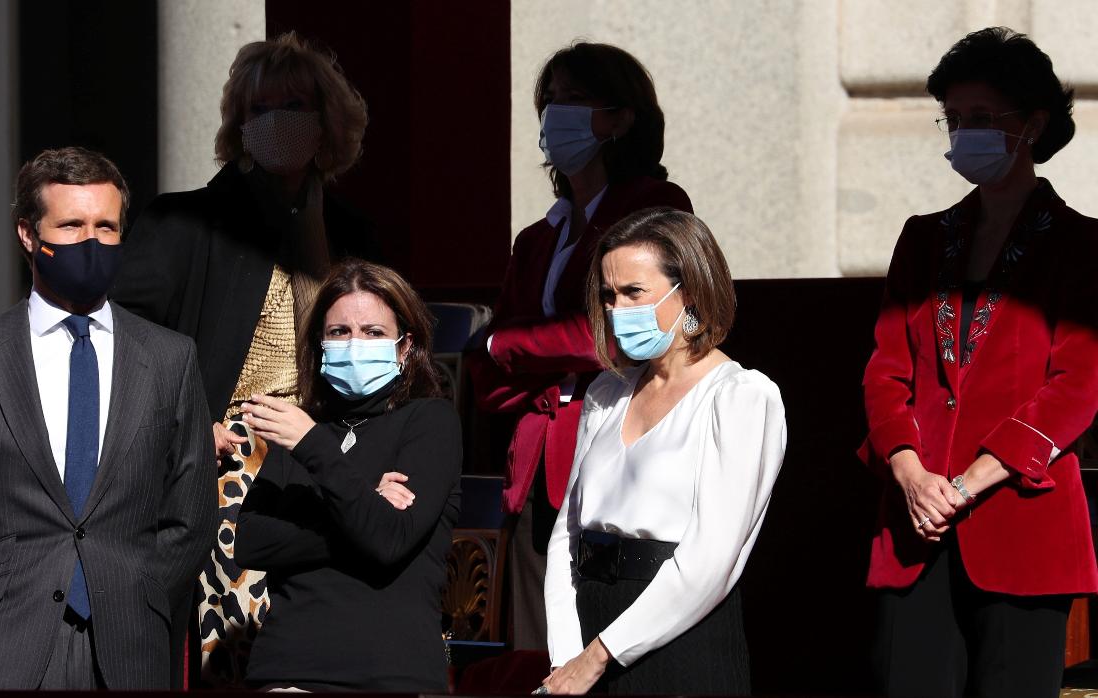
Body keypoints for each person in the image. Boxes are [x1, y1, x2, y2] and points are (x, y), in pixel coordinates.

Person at [0, 147, 216, 689]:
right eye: (71, 224)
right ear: (27, 234)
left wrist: (138, 594)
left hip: (128, 650)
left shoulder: (170, 358)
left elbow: (192, 513)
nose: (92, 240)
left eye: (106, 226)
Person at [110, 32, 376, 686]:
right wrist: (181, 426)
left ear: (327, 122)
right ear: (237, 123)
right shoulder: (186, 225)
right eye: (262, 108)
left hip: (332, 455)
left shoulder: (352, 234)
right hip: (233, 455)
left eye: (295, 105)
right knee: (247, 643)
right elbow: (117, 339)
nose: (278, 121)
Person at [860, 27, 1098, 698]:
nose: (965, 134)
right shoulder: (924, 237)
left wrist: (967, 482)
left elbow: (1076, 385)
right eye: (955, 119)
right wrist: (909, 472)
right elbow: (886, 370)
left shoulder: (1082, 245)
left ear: (1034, 123)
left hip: (1023, 522)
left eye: (983, 119)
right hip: (915, 526)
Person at [469, 41, 694, 651]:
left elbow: (613, 335)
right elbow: (486, 374)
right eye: (549, 102)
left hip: (617, 451)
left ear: (621, 117)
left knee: (604, 642)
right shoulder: (538, 238)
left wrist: (512, 345)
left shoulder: (653, 207)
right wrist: (518, 355)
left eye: (574, 100)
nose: (554, 115)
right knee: (535, 648)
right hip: (537, 463)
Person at [542, 208, 786, 695]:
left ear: (690, 291)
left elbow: (710, 560)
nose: (616, 310)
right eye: (609, 296)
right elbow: (565, 537)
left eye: (634, 292)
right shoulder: (605, 395)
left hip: (677, 639)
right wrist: (568, 654)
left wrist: (598, 656)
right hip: (586, 632)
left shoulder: (739, 397)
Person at [233, 259, 461, 691]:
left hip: (389, 673)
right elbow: (250, 542)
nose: (355, 344)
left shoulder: (431, 421)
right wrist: (363, 505)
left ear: (404, 345)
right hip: (288, 670)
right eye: (339, 332)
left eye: (373, 332)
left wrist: (315, 449)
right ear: (320, 343)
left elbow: (387, 541)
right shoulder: (304, 426)